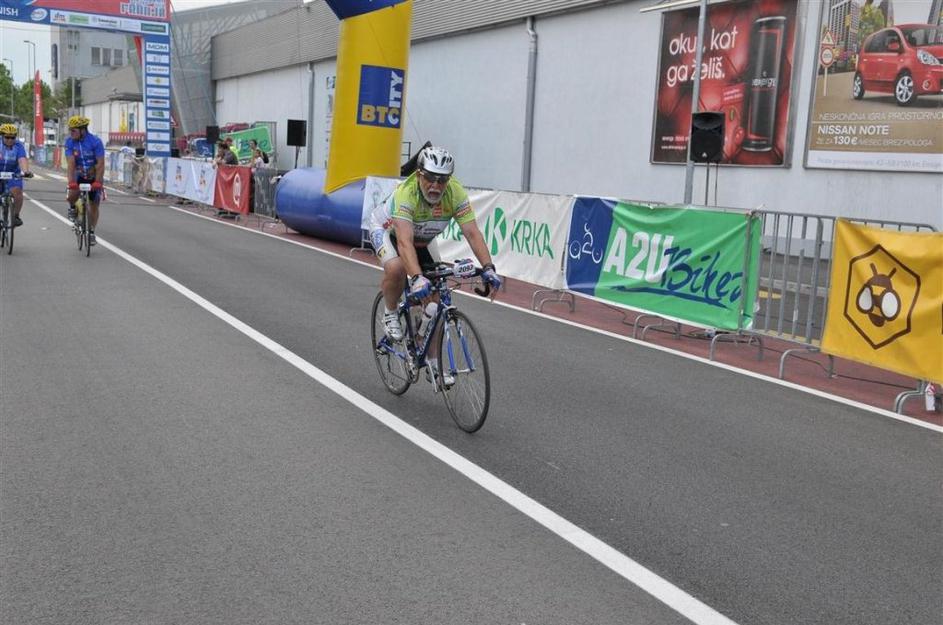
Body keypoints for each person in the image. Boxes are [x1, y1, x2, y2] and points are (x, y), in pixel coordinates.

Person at [368, 146, 502, 379]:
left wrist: (489, 268)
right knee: (397, 268)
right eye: (430, 178)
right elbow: (404, 243)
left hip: (423, 239)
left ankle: (430, 358)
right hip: (389, 232)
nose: (435, 185)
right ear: (419, 174)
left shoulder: (455, 193)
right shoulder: (407, 194)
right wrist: (417, 278)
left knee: (436, 298)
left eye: (442, 180)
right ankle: (390, 312)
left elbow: (472, 233)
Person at [64, 115, 105, 245]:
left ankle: (91, 232)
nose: (71, 133)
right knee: (72, 195)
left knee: (94, 204)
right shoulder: (69, 142)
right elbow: (71, 163)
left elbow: (100, 163)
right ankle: (72, 207)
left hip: (93, 175)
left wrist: (98, 181)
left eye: (73, 130)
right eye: (70, 130)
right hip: (79, 174)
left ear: (83, 130)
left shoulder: (95, 142)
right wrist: (71, 182)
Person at [0, 123, 34, 227]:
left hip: (13, 173)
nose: (10, 140)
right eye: (7, 137)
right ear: (2, 136)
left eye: (13, 137)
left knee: (18, 191)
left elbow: (22, 159)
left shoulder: (18, 146)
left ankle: (15, 216)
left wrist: (26, 171)